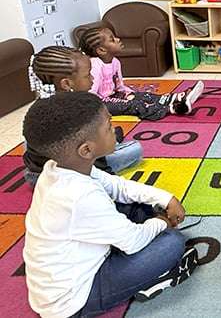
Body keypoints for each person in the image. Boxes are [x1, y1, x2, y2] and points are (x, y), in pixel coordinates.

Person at [22, 92, 199, 317]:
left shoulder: (59, 169)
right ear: (86, 150)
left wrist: (165, 198)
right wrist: (162, 222)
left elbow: (118, 187)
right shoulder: (79, 196)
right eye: (108, 127)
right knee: (172, 243)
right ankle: (157, 278)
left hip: (75, 267)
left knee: (139, 206)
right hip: (75, 300)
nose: (115, 131)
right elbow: (134, 242)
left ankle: (144, 241)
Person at [24, 45, 142, 185]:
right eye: (87, 75)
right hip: (73, 176)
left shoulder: (37, 106)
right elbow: (93, 160)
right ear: (67, 83)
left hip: (36, 175)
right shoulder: (84, 109)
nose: (93, 78)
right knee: (135, 149)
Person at [79, 27, 203, 120]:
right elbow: (91, 95)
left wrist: (131, 93)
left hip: (114, 95)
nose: (118, 39)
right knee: (134, 105)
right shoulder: (95, 65)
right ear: (101, 50)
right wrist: (116, 102)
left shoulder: (115, 62)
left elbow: (119, 85)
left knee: (143, 96)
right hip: (100, 103)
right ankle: (173, 108)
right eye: (112, 39)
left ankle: (176, 98)